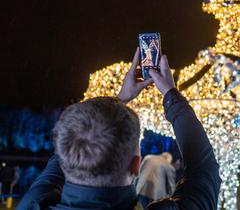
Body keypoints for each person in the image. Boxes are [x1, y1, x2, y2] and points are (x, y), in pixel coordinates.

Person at [17, 48, 221, 210]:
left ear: (65, 155)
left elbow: (204, 168)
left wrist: (120, 100)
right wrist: (170, 93)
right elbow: (204, 169)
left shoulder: (34, 204)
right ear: (135, 166)